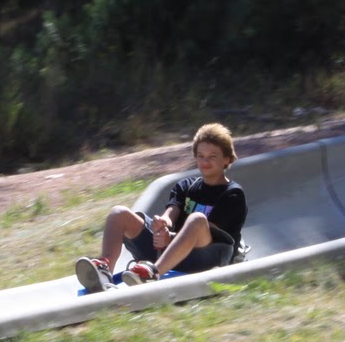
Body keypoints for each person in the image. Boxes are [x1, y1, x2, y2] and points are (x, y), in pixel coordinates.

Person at [75, 122, 247, 292]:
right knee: (118, 213)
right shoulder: (186, 185)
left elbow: (212, 232)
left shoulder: (232, 194)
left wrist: (170, 238)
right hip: (173, 253)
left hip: (209, 257)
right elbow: (171, 212)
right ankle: (104, 274)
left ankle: (152, 274)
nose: (205, 161)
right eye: (201, 156)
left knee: (197, 219)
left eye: (212, 156)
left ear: (227, 159)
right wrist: (162, 225)